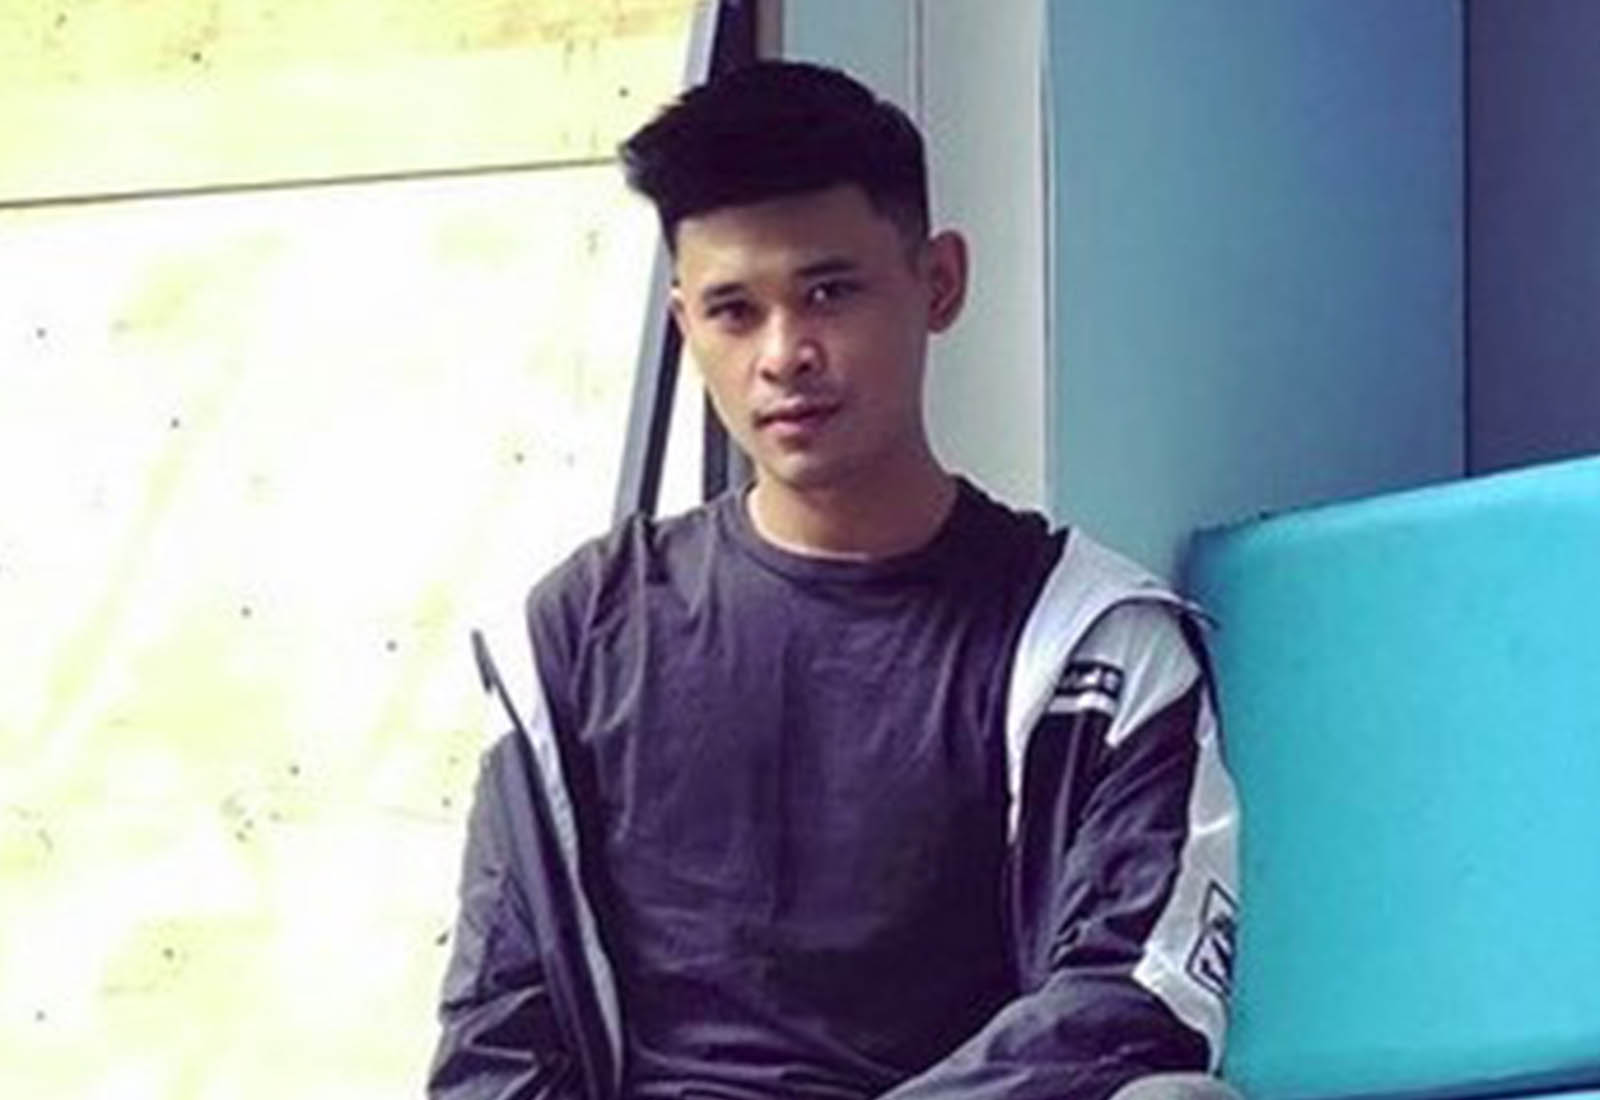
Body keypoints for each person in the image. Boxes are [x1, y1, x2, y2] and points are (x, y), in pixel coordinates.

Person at [427, 61, 1240, 1100]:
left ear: (938, 283)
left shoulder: (1095, 641)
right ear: (685, 326)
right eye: (733, 310)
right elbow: (496, 1038)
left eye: (828, 291)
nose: (784, 354)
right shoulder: (580, 634)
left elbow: (1131, 1004)